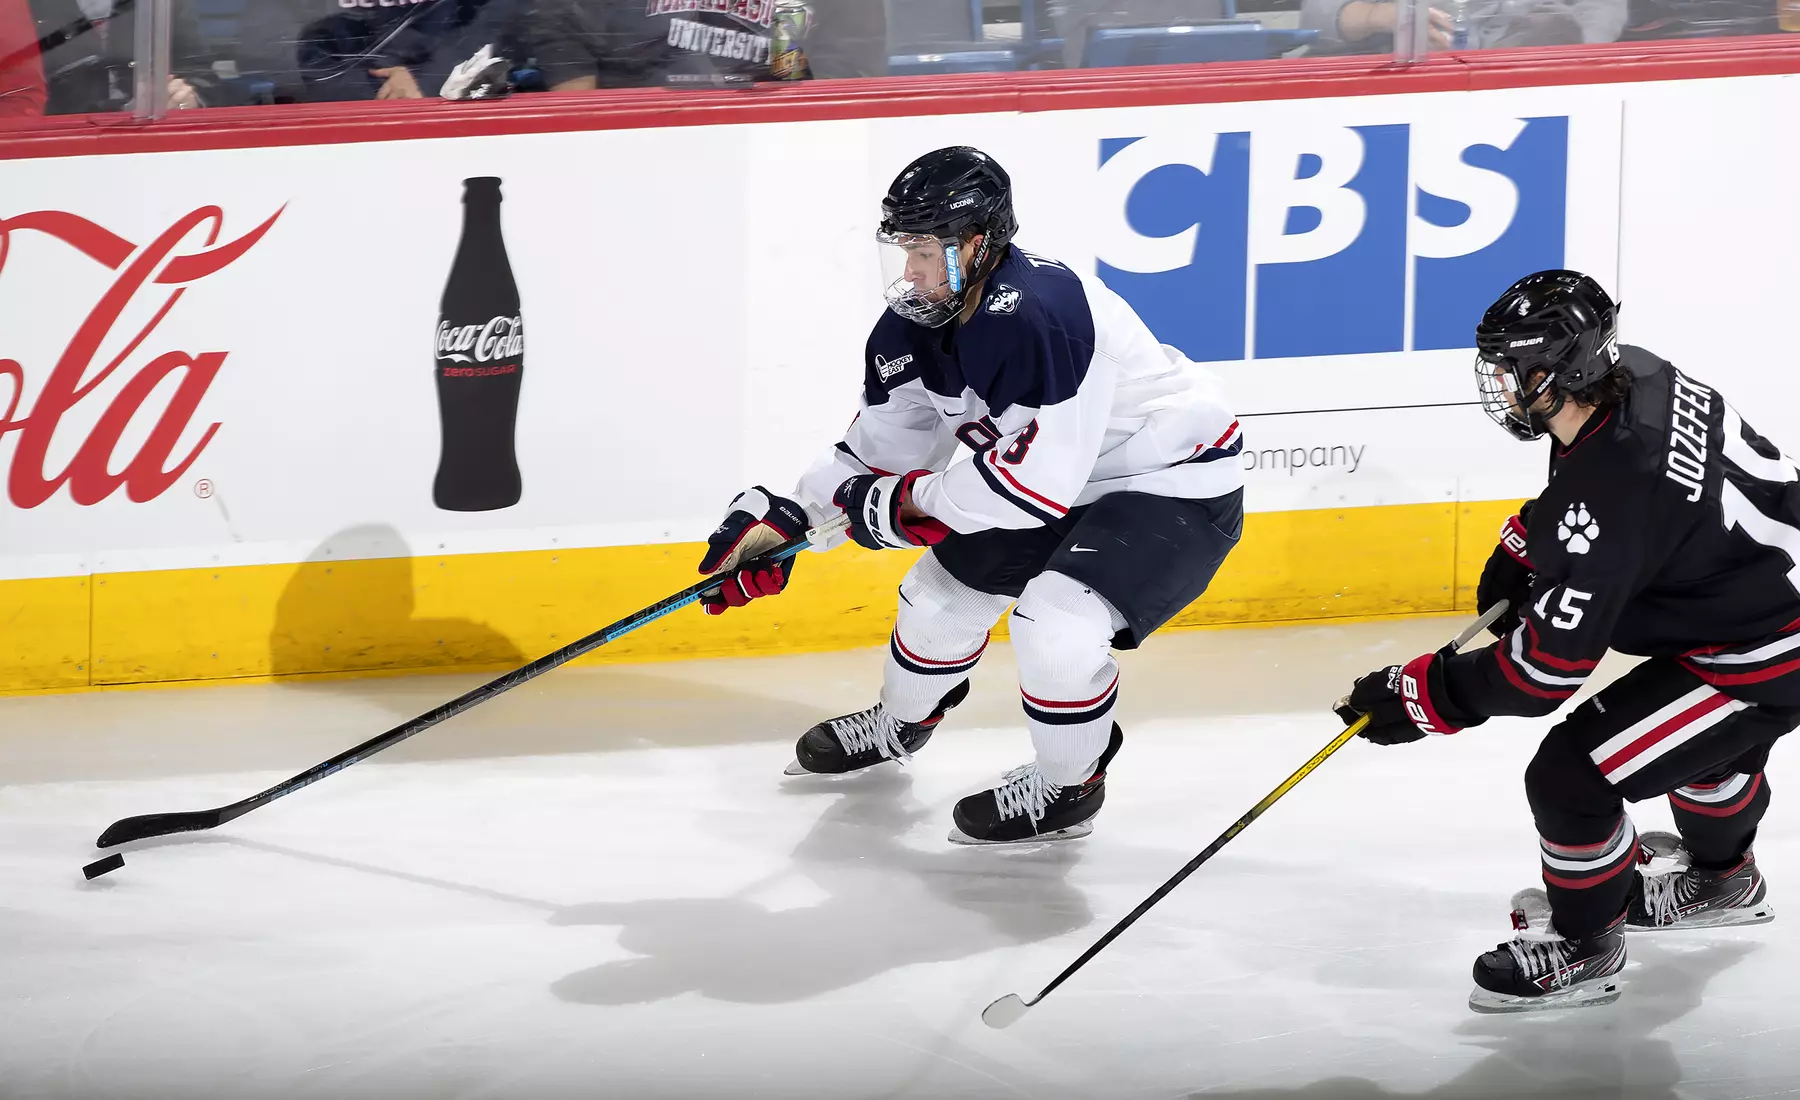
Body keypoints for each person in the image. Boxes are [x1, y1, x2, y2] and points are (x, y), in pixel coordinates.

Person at [697, 146, 1244, 845]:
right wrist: (792, 516)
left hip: (1167, 480)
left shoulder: (1041, 313)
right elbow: (877, 451)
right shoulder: (910, 329)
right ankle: (900, 723)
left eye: (926, 252)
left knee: (1057, 623)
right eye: (904, 251)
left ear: (978, 243)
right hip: (1044, 486)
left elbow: (1033, 486)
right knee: (938, 600)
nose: (910, 272)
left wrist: (902, 507)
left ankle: (1068, 788)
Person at [1335, 270, 1796, 1013]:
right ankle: (1721, 881)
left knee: (1571, 776)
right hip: (1756, 599)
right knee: (1710, 749)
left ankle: (1586, 946)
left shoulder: (1618, 486)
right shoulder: (1640, 373)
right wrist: (1529, 548)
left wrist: (1425, 696)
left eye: (1512, 371)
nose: (1501, 387)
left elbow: (1543, 676)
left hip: (1762, 649)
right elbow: (1588, 499)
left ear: (1561, 370)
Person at [1299, 0, 1625, 52]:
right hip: (1405, 89)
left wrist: (1577, 49)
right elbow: (1318, 18)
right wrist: (1381, 16)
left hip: (1533, 87)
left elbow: (1604, 9)